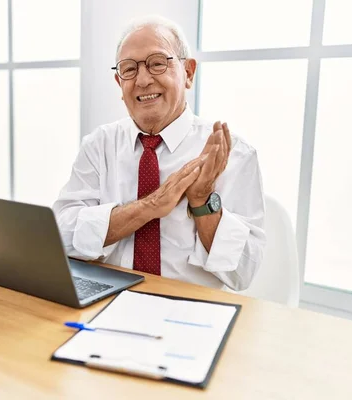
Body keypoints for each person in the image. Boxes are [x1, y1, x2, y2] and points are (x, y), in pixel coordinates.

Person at [53, 16, 265, 291]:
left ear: (188, 73)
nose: (142, 80)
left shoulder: (233, 153)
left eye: (157, 63)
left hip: (191, 311)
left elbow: (242, 273)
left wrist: (201, 202)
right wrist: (149, 207)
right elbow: (62, 235)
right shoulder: (99, 144)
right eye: (129, 69)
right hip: (106, 299)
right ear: (119, 83)